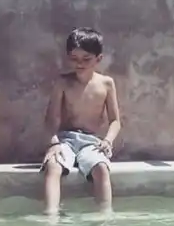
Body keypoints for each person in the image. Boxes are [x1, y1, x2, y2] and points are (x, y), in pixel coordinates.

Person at [41, 28, 121, 215]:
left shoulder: (106, 84)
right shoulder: (63, 82)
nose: (80, 64)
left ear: (98, 59)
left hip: (91, 142)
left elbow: (115, 120)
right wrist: (53, 143)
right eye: (74, 58)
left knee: (101, 168)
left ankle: (105, 215)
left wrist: (108, 140)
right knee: (53, 165)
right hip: (65, 140)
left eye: (86, 59)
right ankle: (50, 214)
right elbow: (51, 118)